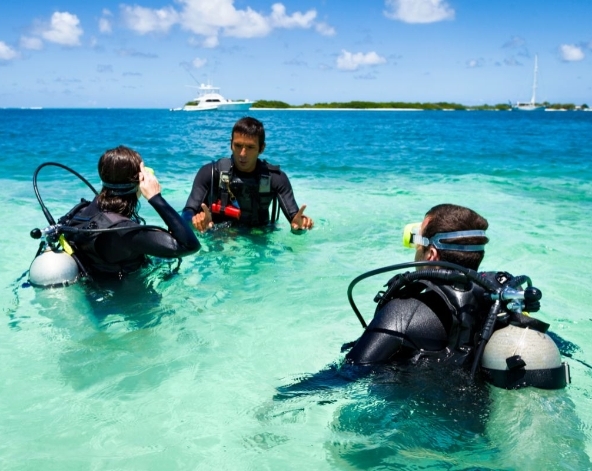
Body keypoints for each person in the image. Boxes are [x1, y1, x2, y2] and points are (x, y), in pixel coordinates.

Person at [345, 204, 495, 367]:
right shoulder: (496, 302)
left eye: (418, 241)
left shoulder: (403, 312)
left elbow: (348, 373)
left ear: (431, 254)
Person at [59, 145, 200, 279]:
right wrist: (155, 198)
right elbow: (190, 245)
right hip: (128, 300)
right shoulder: (125, 232)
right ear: (139, 180)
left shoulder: (83, 211)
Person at [182, 117, 314, 232]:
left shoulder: (275, 178)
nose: (242, 154)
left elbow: (295, 221)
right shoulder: (211, 173)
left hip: (259, 237)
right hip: (221, 236)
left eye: (250, 147)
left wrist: (300, 228)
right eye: (238, 145)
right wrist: (195, 221)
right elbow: (187, 213)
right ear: (231, 144)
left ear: (262, 148)